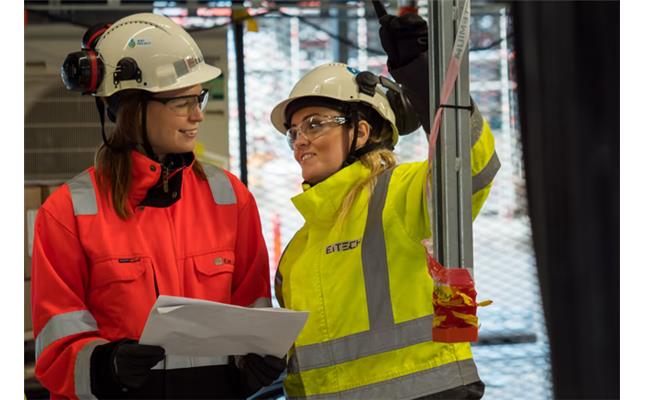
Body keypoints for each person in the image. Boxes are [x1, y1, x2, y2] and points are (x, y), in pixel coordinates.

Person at [31, 13, 284, 399]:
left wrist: (253, 364)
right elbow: (56, 348)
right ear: (130, 108)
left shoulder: (230, 198)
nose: (197, 114)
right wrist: (106, 366)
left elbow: (253, 313)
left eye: (198, 97)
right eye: (182, 102)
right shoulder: (69, 212)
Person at [268, 15, 500, 400]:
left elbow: (471, 167)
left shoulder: (402, 193)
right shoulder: (296, 254)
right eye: (294, 132)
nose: (300, 140)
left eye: (314, 124)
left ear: (360, 132)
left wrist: (421, 74)